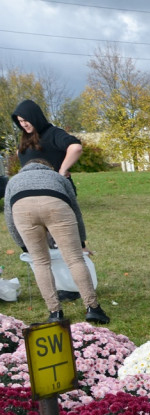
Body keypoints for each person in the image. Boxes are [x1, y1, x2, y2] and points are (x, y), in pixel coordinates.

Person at [4, 159, 109, 323]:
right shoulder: (57, 176)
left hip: (22, 209)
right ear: (47, 166)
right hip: (56, 205)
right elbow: (75, 209)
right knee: (74, 259)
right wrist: (81, 242)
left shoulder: (13, 181)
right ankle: (93, 308)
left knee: (40, 262)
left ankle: (55, 313)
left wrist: (23, 246)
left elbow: (9, 218)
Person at [11, 100, 83, 189]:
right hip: (30, 191)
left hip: (55, 189)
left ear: (35, 118)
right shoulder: (26, 137)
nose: (23, 124)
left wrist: (62, 170)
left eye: (26, 120)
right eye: (20, 121)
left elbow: (75, 148)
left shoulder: (53, 133)